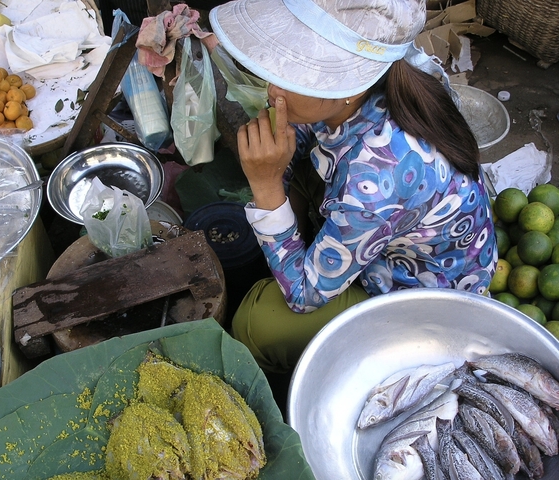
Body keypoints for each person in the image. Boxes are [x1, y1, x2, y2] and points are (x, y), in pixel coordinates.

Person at [208, 0, 498, 374]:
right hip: (396, 243)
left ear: (343, 84)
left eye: (292, 71)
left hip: (425, 309)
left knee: (259, 321)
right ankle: (307, 247)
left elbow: (302, 296)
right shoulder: (385, 79)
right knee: (291, 171)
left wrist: (265, 187)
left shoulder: (377, 180)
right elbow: (308, 135)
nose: (270, 86)